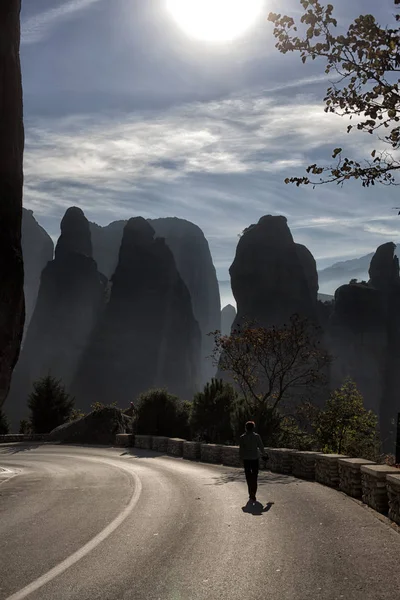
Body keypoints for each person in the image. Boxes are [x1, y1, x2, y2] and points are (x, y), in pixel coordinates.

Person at [239, 421, 265, 503]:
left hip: (246, 459)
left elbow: (241, 450)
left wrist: (240, 459)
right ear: (253, 427)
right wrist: (264, 454)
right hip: (255, 459)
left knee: (248, 477)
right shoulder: (257, 436)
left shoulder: (242, 437)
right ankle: (253, 492)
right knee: (254, 476)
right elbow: (261, 447)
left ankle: (251, 493)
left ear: (246, 428)